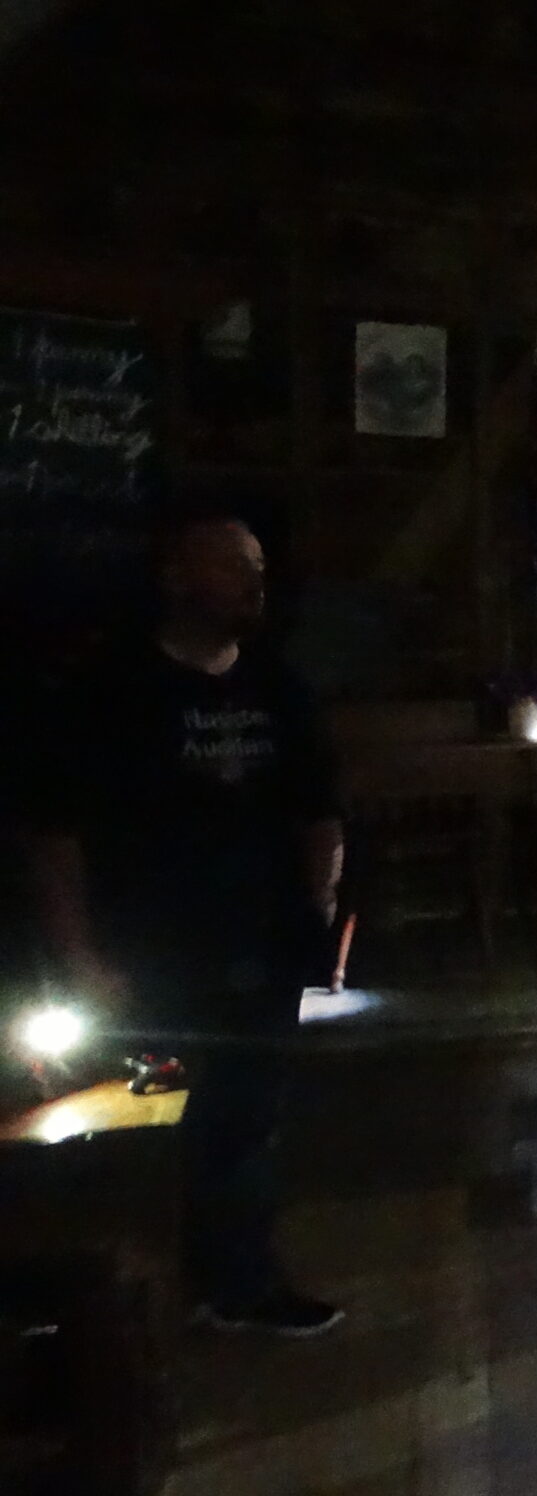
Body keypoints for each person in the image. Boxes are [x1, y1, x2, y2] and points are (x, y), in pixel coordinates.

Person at [27, 510, 345, 1336]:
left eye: (259, 568)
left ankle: (235, 1284)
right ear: (176, 576)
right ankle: (125, 1303)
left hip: (261, 944)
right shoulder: (109, 694)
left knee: (247, 1120)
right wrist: (80, 956)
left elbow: (318, 810)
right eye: (234, 566)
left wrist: (314, 911)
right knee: (142, 1128)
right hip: (155, 953)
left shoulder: (278, 689)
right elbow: (58, 837)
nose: (253, 585)